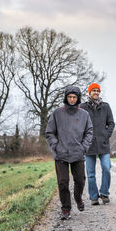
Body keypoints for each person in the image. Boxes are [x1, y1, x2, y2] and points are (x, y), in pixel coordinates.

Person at [45, 85, 93, 220]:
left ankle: (78, 197)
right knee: (63, 182)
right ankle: (66, 208)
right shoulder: (56, 113)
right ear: (66, 98)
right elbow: (49, 132)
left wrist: (84, 147)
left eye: (74, 97)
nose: (72, 99)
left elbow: (89, 132)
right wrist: (56, 146)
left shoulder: (84, 115)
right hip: (61, 154)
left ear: (78, 99)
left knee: (80, 180)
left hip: (78, 153)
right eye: (69, 97)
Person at [80, 83, 115, 205]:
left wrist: (106, 135)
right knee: (90, 173)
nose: (95, 92)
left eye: (97, 90)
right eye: (93, 90)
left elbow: (111, 123)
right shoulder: (83, 107)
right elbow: (79, 125)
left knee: (106, 168)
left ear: (99, 92)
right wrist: (83, 139)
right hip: (89, 145)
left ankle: (104, 193)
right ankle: (94, 197)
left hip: (103, 144)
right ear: (89, 92)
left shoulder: (105, 106)